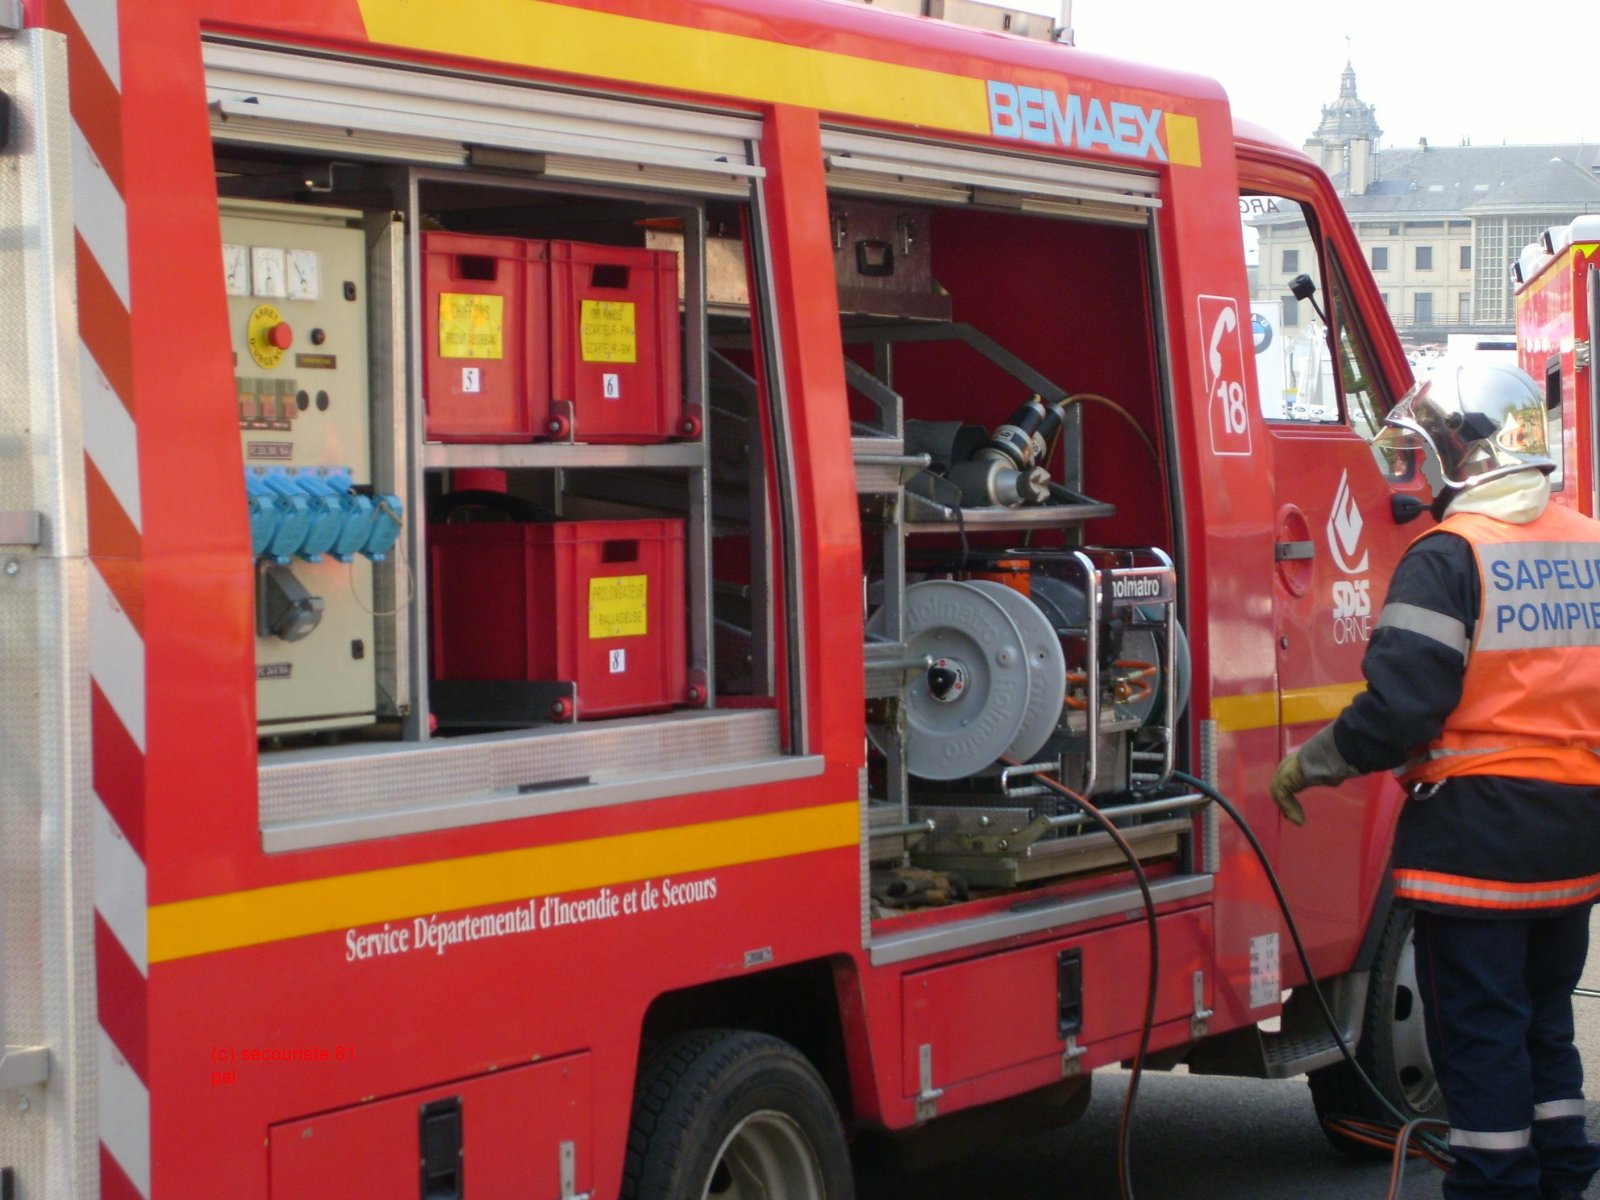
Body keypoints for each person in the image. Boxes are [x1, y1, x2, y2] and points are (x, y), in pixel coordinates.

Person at [1271, 362, 1600, 1200]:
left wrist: (1309, 766)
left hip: (1477, 840)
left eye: (1423, 452)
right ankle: (1564, 1174)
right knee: (1545, 1020)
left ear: (1459, 456)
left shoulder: (1450, 555)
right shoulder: (1590, 544)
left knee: (1479, 1032)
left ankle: (1494, 1183)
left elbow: (1400, 709)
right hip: (1575, 840)